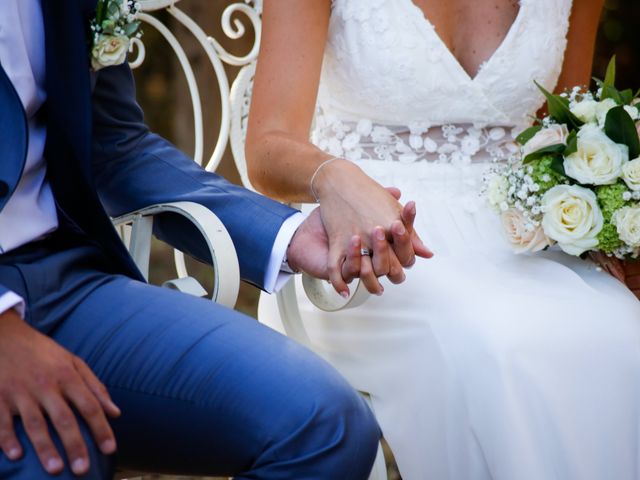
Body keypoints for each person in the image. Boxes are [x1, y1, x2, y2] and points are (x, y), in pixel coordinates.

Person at [0, 0, 426, 478]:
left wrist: (289, 235)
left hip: (68, 280)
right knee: (52, 457)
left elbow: (115, 146)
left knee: (327, 425)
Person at [247, 0, 640, 479]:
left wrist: (609, 219)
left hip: (520, 232)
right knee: (501, 346)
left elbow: (563, 128)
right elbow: (267, 147)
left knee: (622, 330)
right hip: (368, 241)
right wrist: (336, 179)